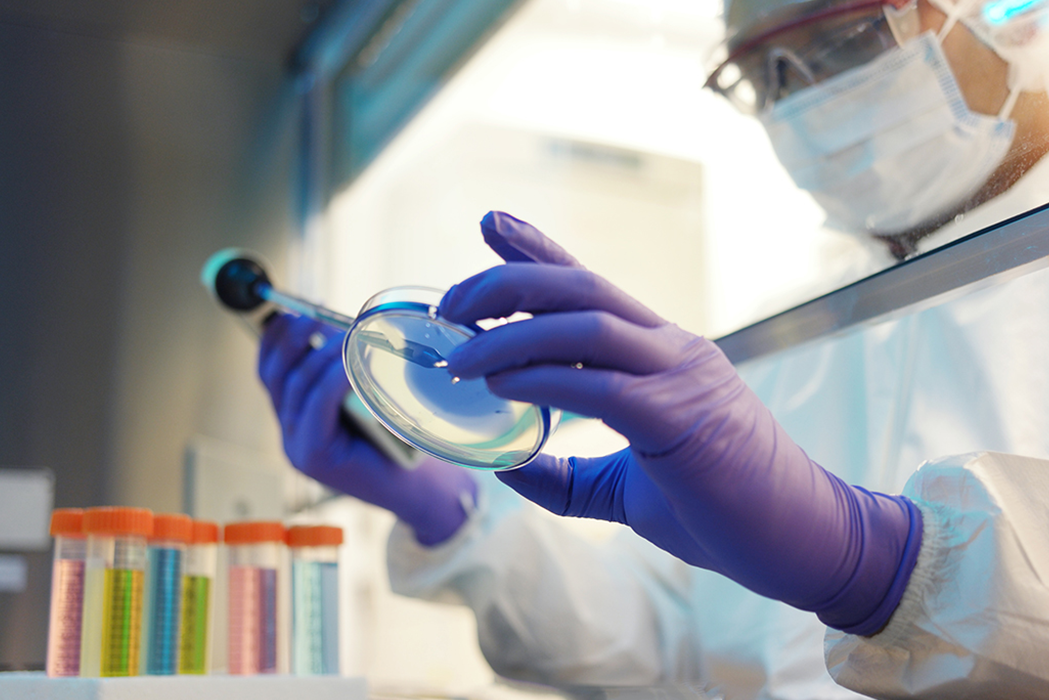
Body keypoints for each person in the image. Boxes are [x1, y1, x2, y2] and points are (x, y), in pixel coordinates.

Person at [257, 0, 1049, 696]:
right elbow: (665, 643)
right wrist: (458, 517)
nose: (802, 94)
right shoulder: (791, 328)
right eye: (761, 74)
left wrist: (885, 568)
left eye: (841, 38)